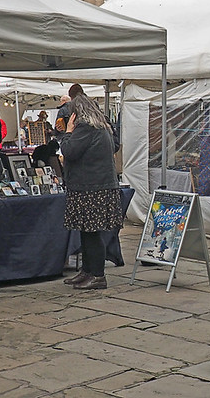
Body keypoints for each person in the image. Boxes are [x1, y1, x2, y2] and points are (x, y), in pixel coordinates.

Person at [60, 94, 122, 290]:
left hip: (91, 188)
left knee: (92, 233)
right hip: (98, 186)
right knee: (88, 232)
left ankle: (97, 275)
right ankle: (88, 271)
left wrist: (68, 132)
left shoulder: (85, 128)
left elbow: (69, 151)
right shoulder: (102, 127)